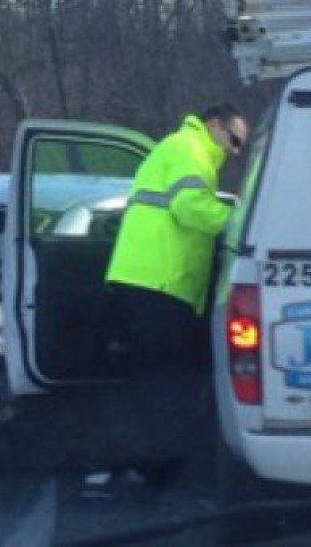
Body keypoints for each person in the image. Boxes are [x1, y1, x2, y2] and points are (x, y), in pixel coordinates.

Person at [105, 103, 249, 486]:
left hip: (151, 281)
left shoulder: (183, 148)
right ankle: (159, 466)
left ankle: (158, 462)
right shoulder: (190, 148)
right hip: (158, 282)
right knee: (164, 379)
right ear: (213, 125)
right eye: (233, 140)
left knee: (160, 376)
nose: (235, 152)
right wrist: (243, 225)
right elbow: (189, 207)